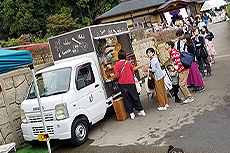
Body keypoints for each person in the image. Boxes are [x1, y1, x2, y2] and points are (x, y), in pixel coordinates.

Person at [114, 50, 146, 119]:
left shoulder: (116, 65)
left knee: (126, 98)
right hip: (131, 82)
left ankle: (131, 113)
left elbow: (117, 76)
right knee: (135, 96)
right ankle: (141, 110)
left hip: (122, 83)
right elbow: (132, 72)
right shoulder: (128, 63)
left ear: (118, 56)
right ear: (125, 55)